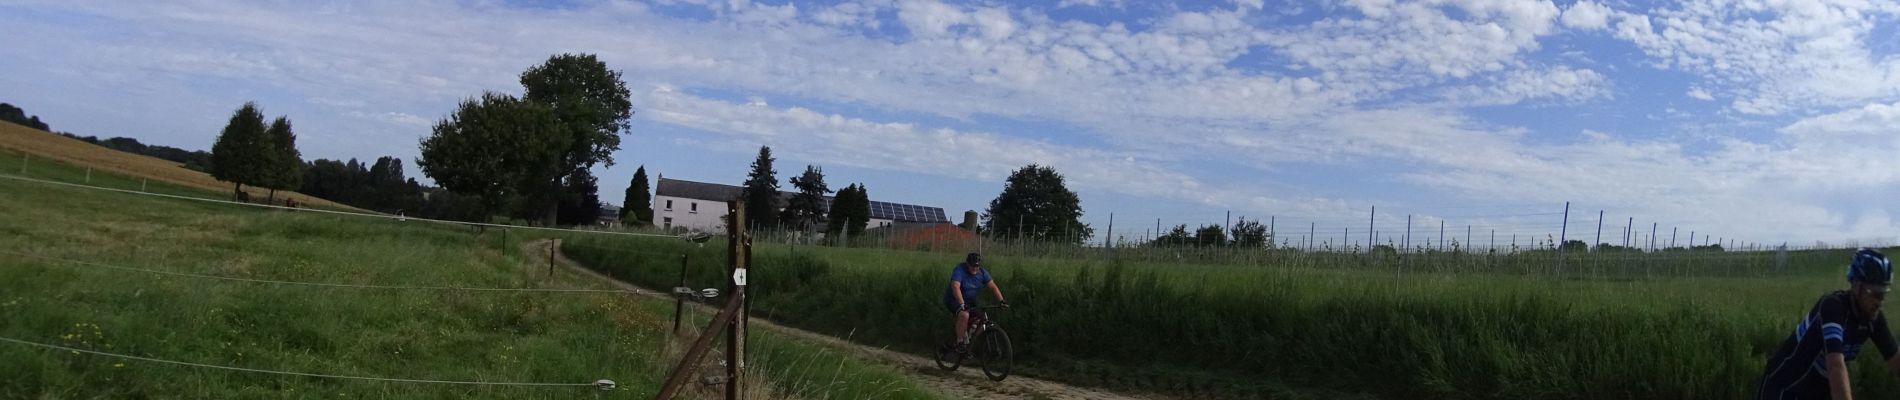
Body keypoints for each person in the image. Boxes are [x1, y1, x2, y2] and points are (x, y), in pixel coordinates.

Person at [1759, 248, 1900, 400]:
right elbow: (1835, 365)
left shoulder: (1873, 319)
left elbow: (1897, 362)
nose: (1880, 302)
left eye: (1884, 294)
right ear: (1857, 286)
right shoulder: (1833, 307)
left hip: (1816, 392)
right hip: (1783, 388)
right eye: (1875, 294)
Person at [944, 252, 1006, 354]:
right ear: (967, 264)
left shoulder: (982, 273)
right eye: (972, 266)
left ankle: (969, 335)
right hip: (954, 299)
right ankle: (960, 342)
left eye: (977, 266)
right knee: (964, 314)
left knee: (983, 317)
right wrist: (962, 304)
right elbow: (955, 287)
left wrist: (1001, 301)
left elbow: (993, 287)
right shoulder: (960, 270)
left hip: (970, 300)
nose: (975, 269)